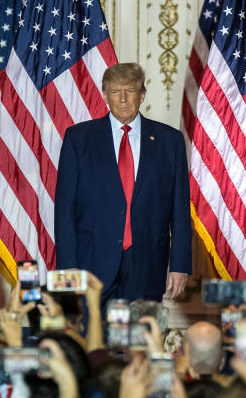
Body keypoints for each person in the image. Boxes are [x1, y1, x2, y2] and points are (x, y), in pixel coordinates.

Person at [54, 62, 192, 303]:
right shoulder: (79, 139)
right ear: (105, 95)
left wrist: (179, 265)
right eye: (116, 92)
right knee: (92, 340)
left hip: (147, 266)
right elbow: (65, 209)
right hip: (90, 265)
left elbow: (179, 210)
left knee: (142, 339)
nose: (123, 99)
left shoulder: (170, 141)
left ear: (142, 95)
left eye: (130, 91)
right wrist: (67, 270)